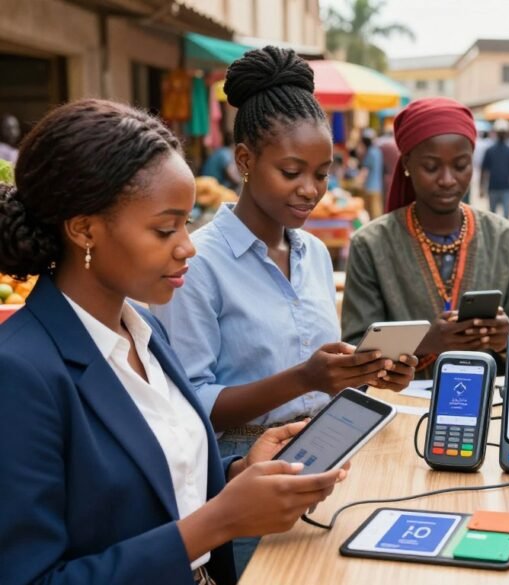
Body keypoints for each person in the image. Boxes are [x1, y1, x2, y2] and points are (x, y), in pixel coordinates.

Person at [0, 99, 345, 585]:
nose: (186, 246)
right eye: (165, 229)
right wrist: (219, 521)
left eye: (186, 223)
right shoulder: (20, 371)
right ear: (83, 229)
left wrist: (238, 471)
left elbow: (149, 485)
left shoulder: (145, 330)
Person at [150, 47, 416, 571]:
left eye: (323, 173)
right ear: (245, 161)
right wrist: (305, 378)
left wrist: (366, 372)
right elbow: (192, 403)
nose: (311, 190)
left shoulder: (314, 252)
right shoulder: (197, 264)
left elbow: (319, 371)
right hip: (246, 472)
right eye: (292, 171)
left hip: (330, 453)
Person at [342, 97, 509, 376]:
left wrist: (508, 337)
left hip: (490, 406)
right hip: (404, 407)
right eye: (432, 167)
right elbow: (355, 348)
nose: (448, 179)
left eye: (460, 165)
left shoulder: (506, 240)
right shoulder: (371, 244)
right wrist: (426, 342)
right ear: (407, 163)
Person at [479, 118, 509, 219]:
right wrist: (481, 187)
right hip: (493, 187)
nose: (502, 135)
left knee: (506, 216)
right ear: (496, 133)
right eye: (500, 132)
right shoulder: (490, 150)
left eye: (503, 132)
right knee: (492, 216)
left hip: (507, 188)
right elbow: (484, 169)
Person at [357, 128, 384, 219]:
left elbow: (365, 170)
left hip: (370, 187)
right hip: (377, 186)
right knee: (376, 210)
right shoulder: (377, 151)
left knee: (371, 212)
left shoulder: (370, 153)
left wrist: (359, 181)